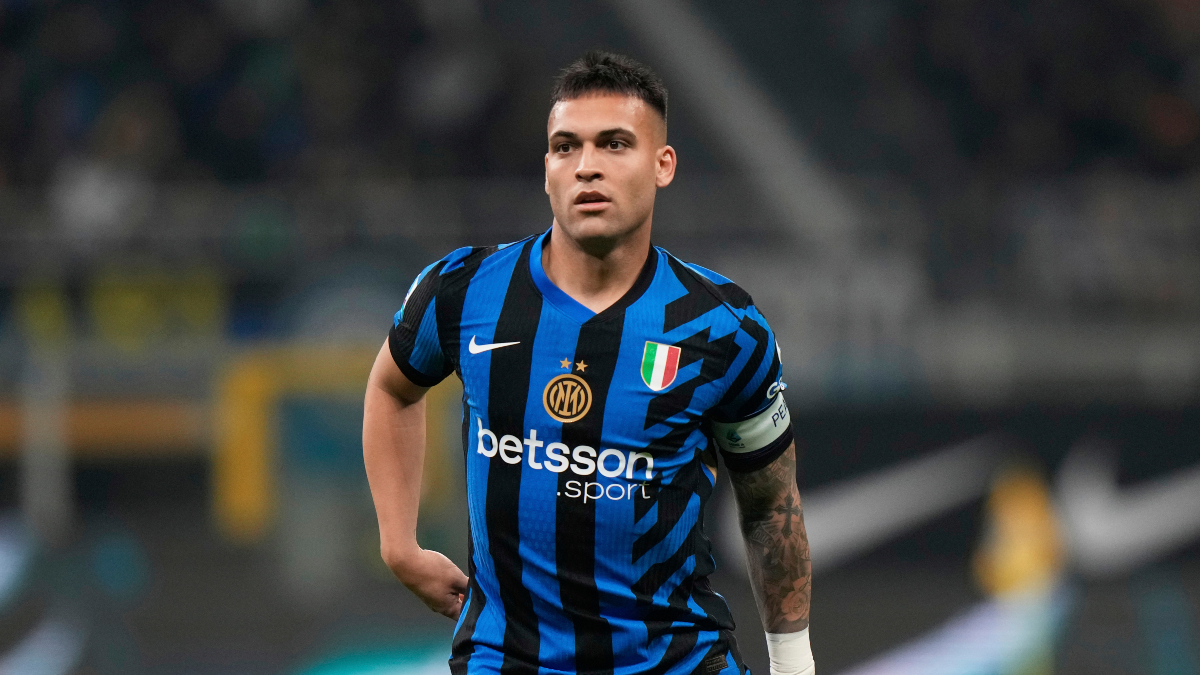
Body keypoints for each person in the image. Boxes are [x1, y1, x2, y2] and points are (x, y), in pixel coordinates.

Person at [363, 51, 813, 675]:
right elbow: (392, 387)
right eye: (565, 147)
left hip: (674, 662)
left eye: (614, 144)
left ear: (662, 165)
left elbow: (770, 508)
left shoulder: (723, 328)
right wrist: (398, 545)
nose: (587, 166)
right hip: (506, 660)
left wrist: (794, 664)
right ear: (546, 170)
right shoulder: (463, 290)